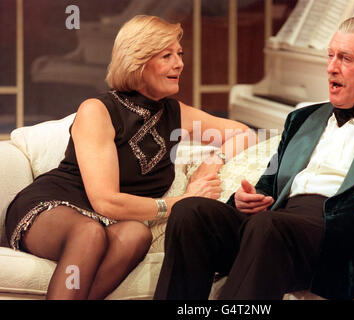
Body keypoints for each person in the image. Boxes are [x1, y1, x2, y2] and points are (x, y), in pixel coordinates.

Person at [153, 16, 354, 300]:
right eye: (330, 56)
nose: (331, 68)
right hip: (275, 225)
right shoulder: (301, 118)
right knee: (190, 213)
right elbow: (268, 184)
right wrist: (249, 199)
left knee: (267, 227)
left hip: (333, 239)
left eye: (345, 59)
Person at [4, 15, 254, 300]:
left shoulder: (177, 113)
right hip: (51, 208)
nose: (180, 63)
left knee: (137, 234)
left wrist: (209, 165)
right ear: (139, 61)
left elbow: (243, 134)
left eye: (180, 54)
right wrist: (177, 204)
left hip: (107, 224)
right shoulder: (98, 110)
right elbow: (105, 201)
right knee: (89, 233)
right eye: (167, 55)